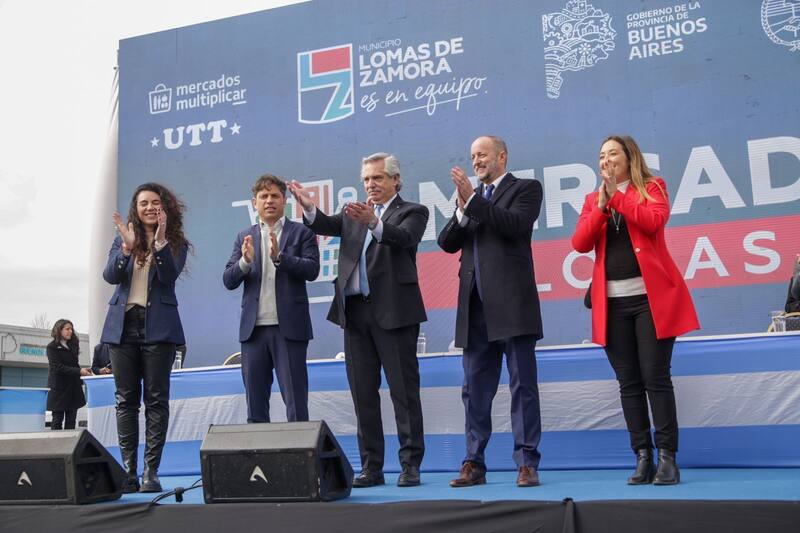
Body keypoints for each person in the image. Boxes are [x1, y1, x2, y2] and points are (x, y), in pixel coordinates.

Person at [288, 153, 427, 488]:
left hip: (394, 313)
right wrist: (308, 207)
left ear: (395, 180)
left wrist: (373, 223)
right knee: (362, 394)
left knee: (403, 394)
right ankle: (372, 467)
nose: (370, 185)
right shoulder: (353, 214)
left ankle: (410, 465)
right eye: (366, 179)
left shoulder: (412, 211)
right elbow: (323, 224)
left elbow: (403, 238)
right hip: (355, 313)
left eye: (377, 178)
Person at [571, 135, 699, 485]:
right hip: (612, 304)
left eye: (613, 153)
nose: (606, 160)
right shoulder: (592, 199)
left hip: (651, 302)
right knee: (628, 382)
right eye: (601, 155)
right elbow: (580, 243)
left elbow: (653, 222)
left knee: (655, 378)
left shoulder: (653, 187)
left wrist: (619, 196)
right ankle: (642, 457)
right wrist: (600, 205)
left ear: (630, 157)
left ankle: (667, 458)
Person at [438, 135, 544, 488]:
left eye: (482, 154)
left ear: (502, 156)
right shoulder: (472, 201)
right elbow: (446, 242)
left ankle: (527, 462)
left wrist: (472, 202)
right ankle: (474, 461)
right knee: (474, 390)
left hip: (513, 306)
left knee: (522, 386)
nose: (476, 160)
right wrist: (461, 209)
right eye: (472, 156)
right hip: (475, 308)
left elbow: (513, 225)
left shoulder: (526, 188)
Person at [100, 182, 190, 493]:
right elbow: (111, 276)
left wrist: (161, 242)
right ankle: (129, 472)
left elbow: (168, 276)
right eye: (143, 203)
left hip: (159, 329)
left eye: (155, 202)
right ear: (135, 210)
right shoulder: (122, 239)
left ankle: (151, 471)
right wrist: (126, 248)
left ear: (165, 208)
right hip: (122, 327)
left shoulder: (176, 243)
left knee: (156, 401)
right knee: (126, 401)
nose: (149, 207)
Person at [223, 174, 320, 423]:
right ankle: (259, 460)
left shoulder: (302, 233)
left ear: (285, 200)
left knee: (296, 405)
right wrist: (245, 261)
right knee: (255, 407)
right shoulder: (244, 236)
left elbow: (312, 270)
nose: (269, 201)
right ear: (254, 202)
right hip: (253, 332)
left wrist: (280, 258)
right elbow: (228, 280)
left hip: (289, 330)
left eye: (275, 195)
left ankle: (299, 459)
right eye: (263, 196)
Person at [46, 319, 92, 430]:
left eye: (71, 329)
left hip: (73, 389)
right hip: (59, 390)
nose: (70, 331)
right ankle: (56, 446)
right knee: (57, 421)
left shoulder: (72, 346)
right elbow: (57, 367)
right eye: (67, 329)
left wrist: (82, 371)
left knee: (71, 421)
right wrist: (78, 371)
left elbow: (73, 366)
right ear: (59, 330)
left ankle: (71, 447)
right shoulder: (52, 347)